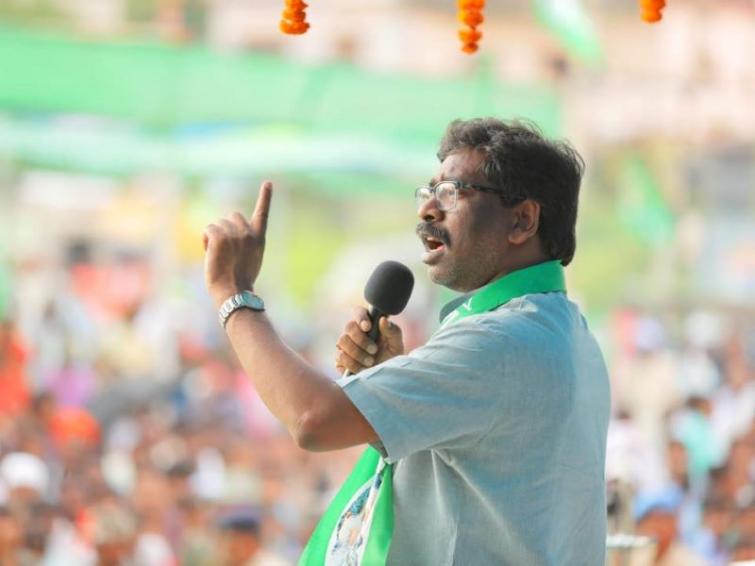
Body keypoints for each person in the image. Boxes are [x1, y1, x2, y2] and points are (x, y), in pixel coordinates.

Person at [203, 118, 611, 564]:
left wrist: (233, 293)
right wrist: (391, 382)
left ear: (522, 220)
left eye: (452, 192)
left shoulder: (503, 341)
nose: (428, 210)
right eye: (429, 191)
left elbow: (313, 418)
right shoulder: (563, 331)